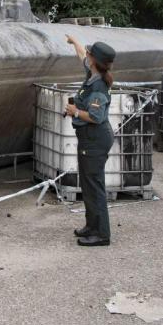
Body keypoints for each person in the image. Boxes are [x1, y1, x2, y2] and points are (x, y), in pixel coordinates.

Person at [64, 34, 117, 247]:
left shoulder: (98, 87)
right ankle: (91, 226)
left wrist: (75, 112)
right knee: (87, 184)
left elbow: (96, 117)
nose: (86, 55)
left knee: (95, 186)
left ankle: (102, 234)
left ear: (95, 60)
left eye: (89, 53)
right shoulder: (93, 73)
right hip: (88, 139)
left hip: (96, 140)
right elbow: (81, 56)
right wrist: (74, 41)